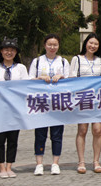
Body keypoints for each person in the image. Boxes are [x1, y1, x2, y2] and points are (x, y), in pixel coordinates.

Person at [0, 37, 29, 178]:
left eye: (12, 50)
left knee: (13, 139)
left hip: (15, 110)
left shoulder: (21, 68)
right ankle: (1, 167)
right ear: (1, 51)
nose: (9, 52)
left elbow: (26, 86)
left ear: (16, 52)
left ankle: (10, 166)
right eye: (6, 50)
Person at [29, 33, 71, 176]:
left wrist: (62, 77)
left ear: (58, 46)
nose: (52, 47)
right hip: (40, 103)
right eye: (49, 44)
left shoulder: (64, 62)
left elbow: (71, 82)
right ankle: (39, 164)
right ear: (44, 45)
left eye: (55, 45)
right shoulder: (37, 61)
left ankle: (55, 163)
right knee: (40, 134)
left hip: (58, 103)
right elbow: (29, 81)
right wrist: (40, 78)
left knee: (57, 134)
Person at [70, 33, 101, 174]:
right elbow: (72, 78)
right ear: (86, 43)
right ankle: (81, 161)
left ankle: (96, 161)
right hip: (82, 99)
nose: (93, 46)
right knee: (82, 130)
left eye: (96, 44)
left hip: (97, 100)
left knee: (97, 130)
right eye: (90, 43)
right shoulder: (77, 59)